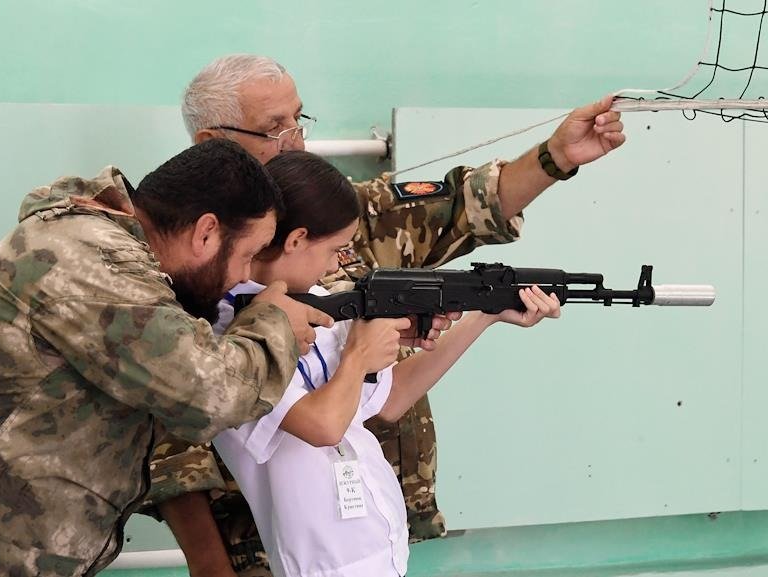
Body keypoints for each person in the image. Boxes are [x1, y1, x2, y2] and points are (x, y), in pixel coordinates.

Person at [147, 54, 626, 576]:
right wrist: (209, 563)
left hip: (370, 526)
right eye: (273, 128)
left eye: (298, 120)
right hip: (263, 542)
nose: (295, 138)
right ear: (212, 142)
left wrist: (555, 157)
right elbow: (172, 438)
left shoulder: (335, 206)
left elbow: (459, 207)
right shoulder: (188, 266)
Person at [0, 139, 335, 577]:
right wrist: (275, 325)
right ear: (205, 232)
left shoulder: (111, 252)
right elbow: (210, 394)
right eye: (247, 256)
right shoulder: (91, 261)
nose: (243, 275)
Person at [212, 150, 561, 577]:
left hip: (382, 555)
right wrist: (358, 355)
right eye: (335, 250)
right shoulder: (233, 334)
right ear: (297, 239)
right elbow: (322, 426)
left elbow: (391, 399)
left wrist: (483, 314)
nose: (335, 264)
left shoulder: (316, 307)